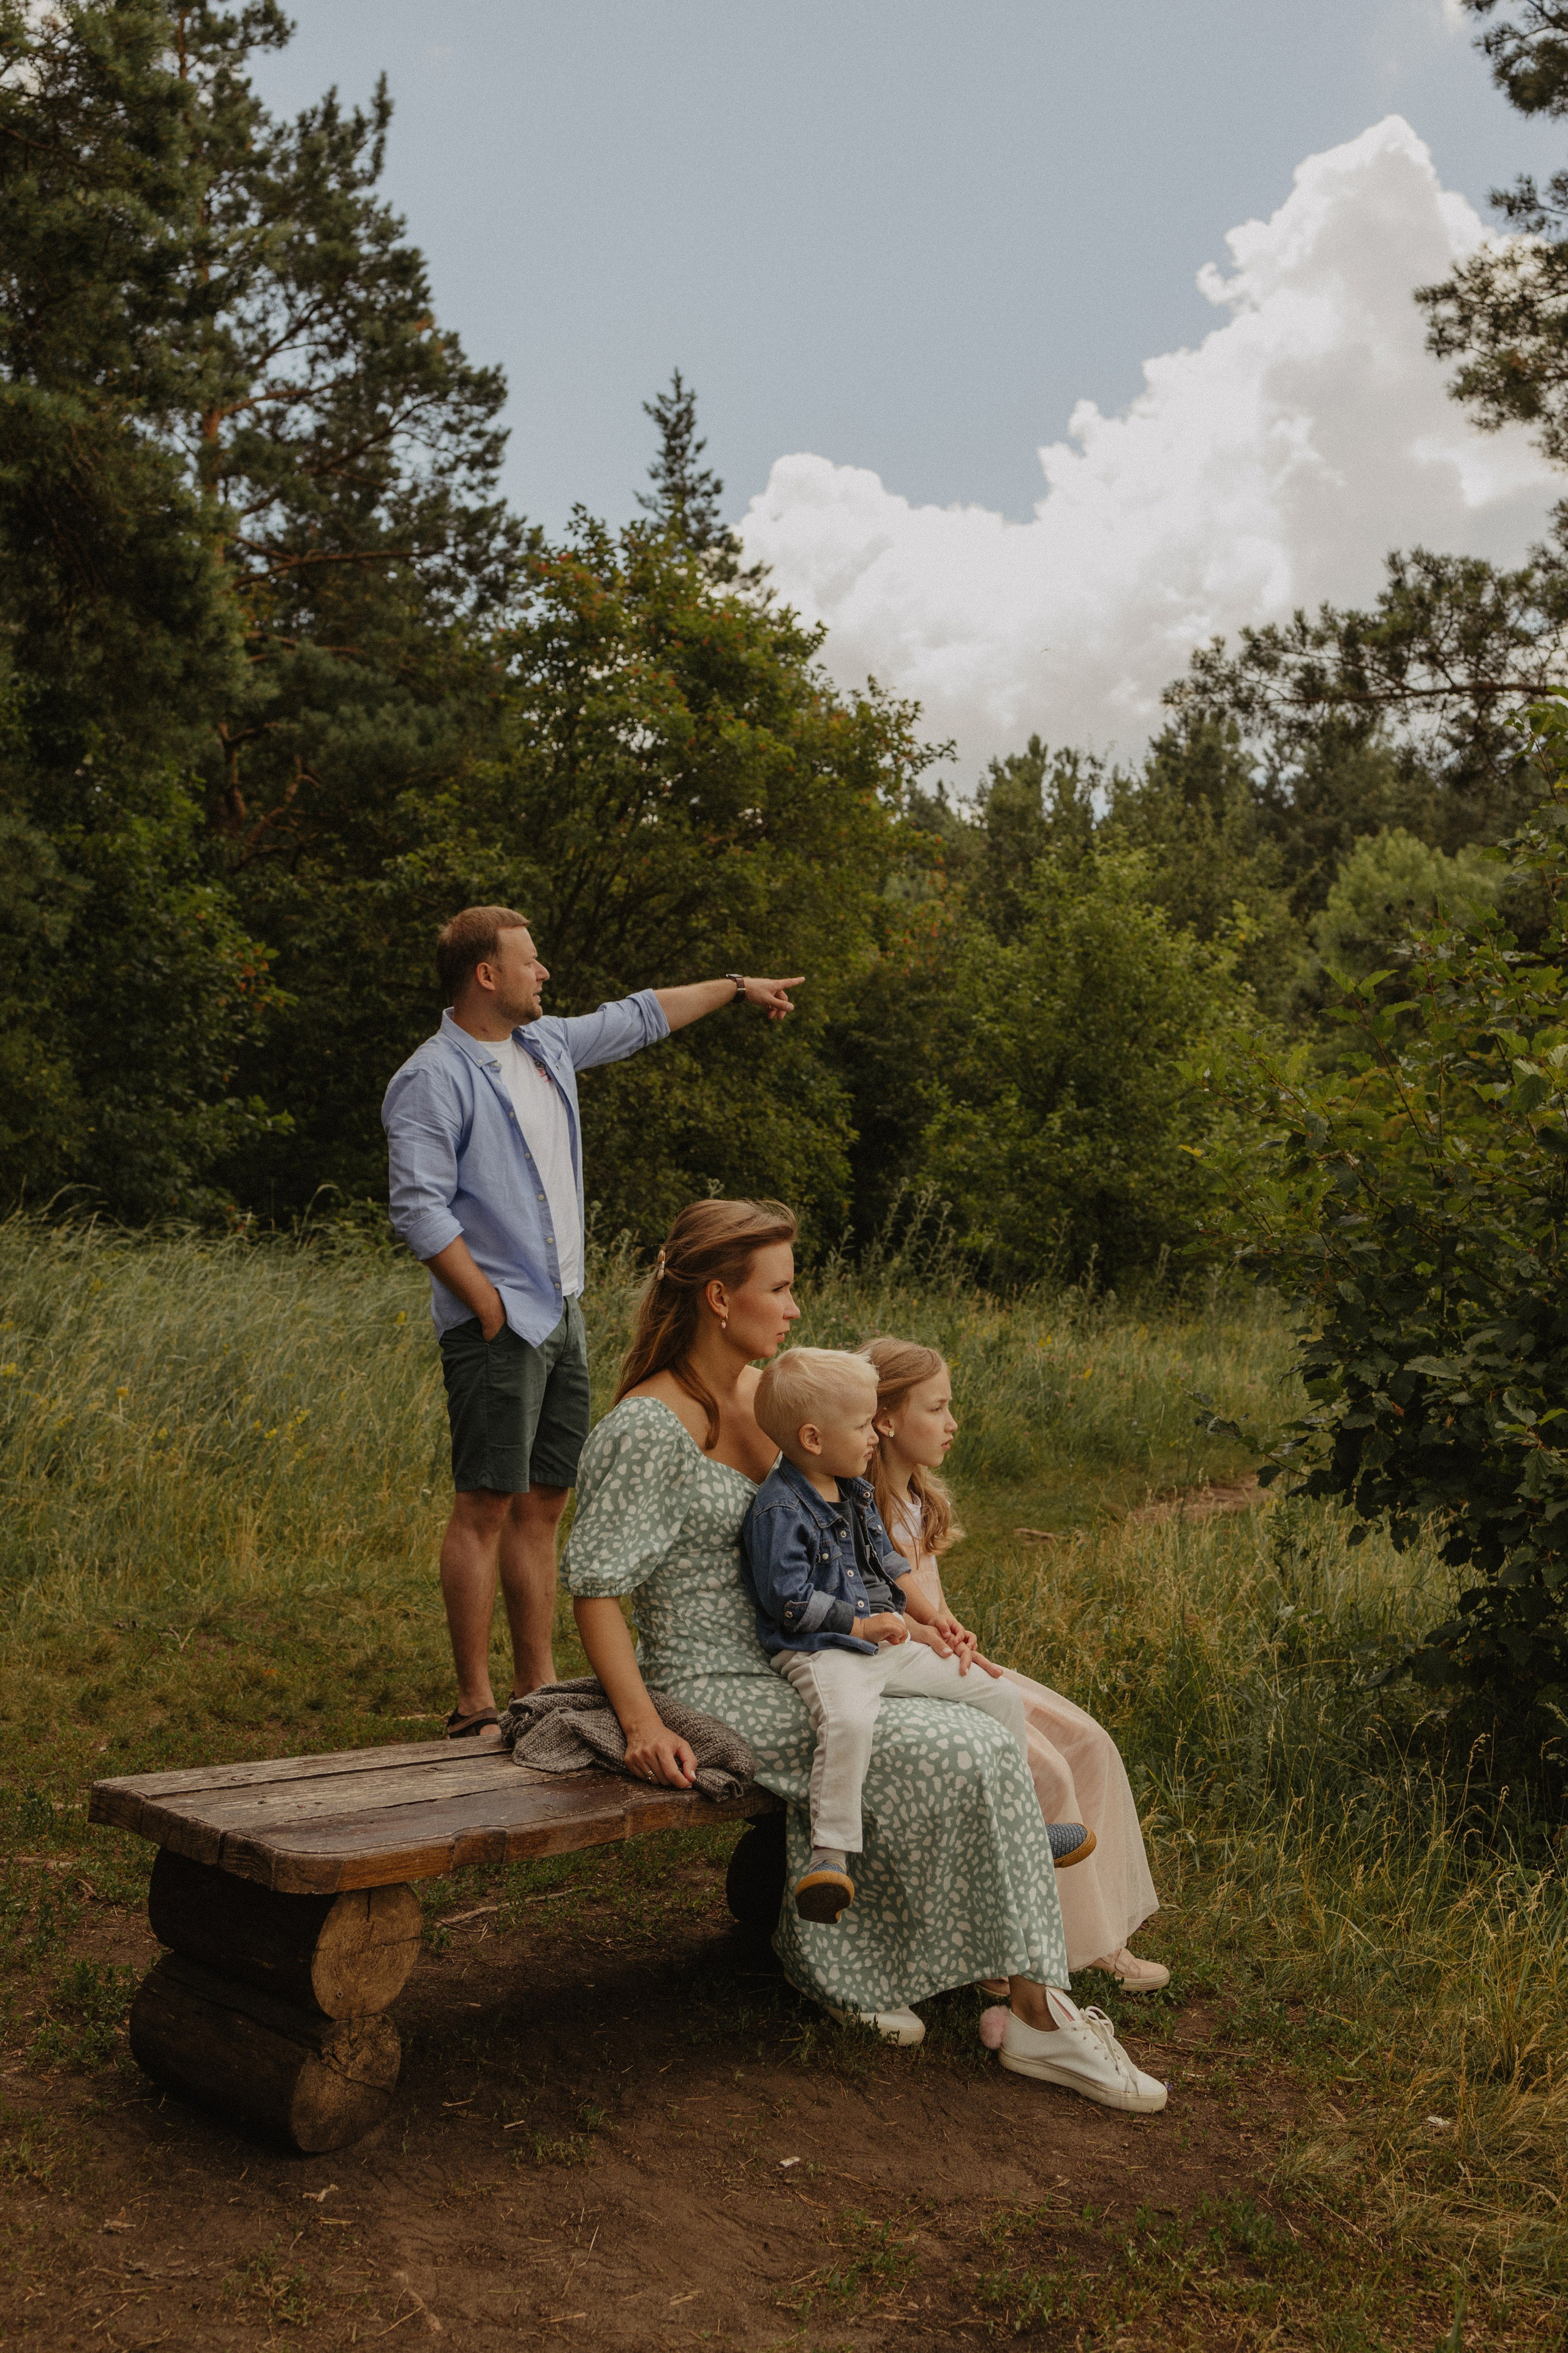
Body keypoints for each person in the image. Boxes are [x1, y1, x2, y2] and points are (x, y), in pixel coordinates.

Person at [560, 1198, 1167, 2111]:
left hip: (811, 1651)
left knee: (981, 1722)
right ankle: (1002, 2004)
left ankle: (1039, 2008)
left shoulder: (769, 1400)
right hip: (717, 1683)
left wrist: (914, 1614)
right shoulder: (648, 1428)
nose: (795, 1307)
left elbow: (844, 1506)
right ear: (721, 1299)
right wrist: (642, 1722)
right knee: (957, 1750)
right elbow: (597, 1584)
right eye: (781, 1287)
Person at [382, 904, 803, 1738]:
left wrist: (733, 986)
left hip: (560, 1311)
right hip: (499, 1320)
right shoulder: (434, 1077)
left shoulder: (545, 1047)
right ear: (486, 975)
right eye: (529, 962)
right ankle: (473, 1700)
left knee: (543, 1500)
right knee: (485, 1504)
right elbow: (418, 1207)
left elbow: (641, 1016)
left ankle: (535, 1687)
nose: (544, 974)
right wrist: (488, 1301)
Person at [861, 1336, 1168, 1993]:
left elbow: (933, 1604)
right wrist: (933, 1637)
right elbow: (884, 1620)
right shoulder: (859, 1510)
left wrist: (962, 1643)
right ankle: (1026, 1954)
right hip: (903, 1677)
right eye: (936, 1408)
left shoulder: (915, 1495)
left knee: (1088, 1743)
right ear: (884, 1418)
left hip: (947, 1661)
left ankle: (1100, 1935)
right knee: (1045, 1770)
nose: (952, 1423)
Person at [740, 1346, 1031, 1927]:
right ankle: (830, 1857)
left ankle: (1021, 1826)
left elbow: (893, 1563)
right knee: (849, 1722)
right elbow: (789, 1601)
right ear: (814, 1438)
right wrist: (860, 1624)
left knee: (998, 1694)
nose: (875, 1435)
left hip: (883, 1644)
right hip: (823, 1651)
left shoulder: (855, 1489)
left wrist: (934, 1619)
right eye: (862, 1425)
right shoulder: (779, 1509)